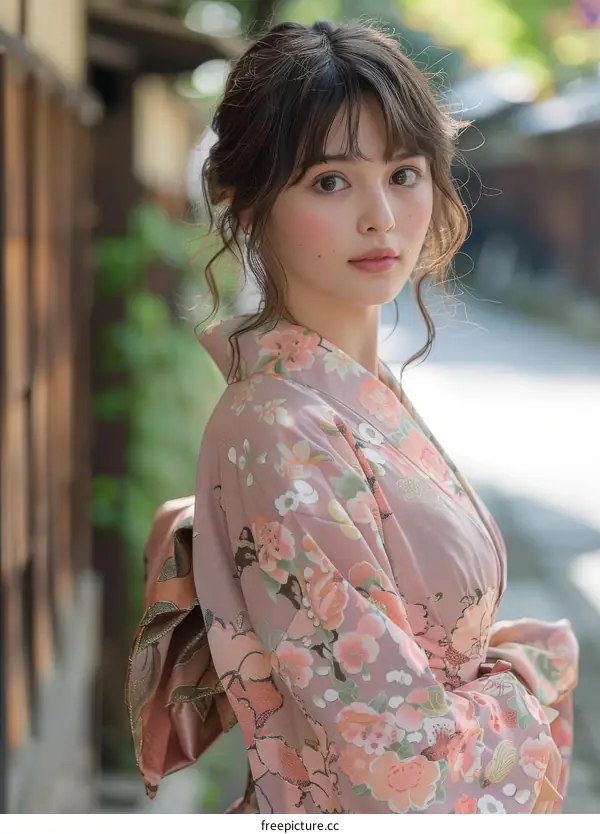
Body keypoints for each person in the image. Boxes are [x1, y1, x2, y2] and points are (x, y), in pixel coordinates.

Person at [125, 20, 578, 814]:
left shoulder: (352, 392)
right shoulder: (277, 430)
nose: (381, 217)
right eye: (331, 181)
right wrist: (527, 684)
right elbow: (392, 757)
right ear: (246, 202)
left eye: (403, 174)